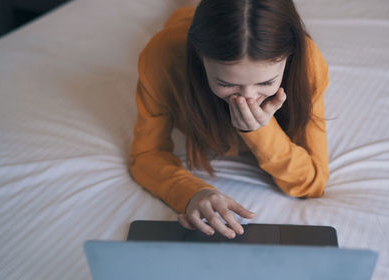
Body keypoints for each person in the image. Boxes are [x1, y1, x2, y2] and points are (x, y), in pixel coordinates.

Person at [129, 0, 329, 240]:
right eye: (226, 83)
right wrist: (193, 193)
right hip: (184, 27)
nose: (248, 98)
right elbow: (145, 155)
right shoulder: (163, 57)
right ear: (200, 60)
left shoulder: (309, 64)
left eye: (266, 83)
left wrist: (261, 131)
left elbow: (312, 183)